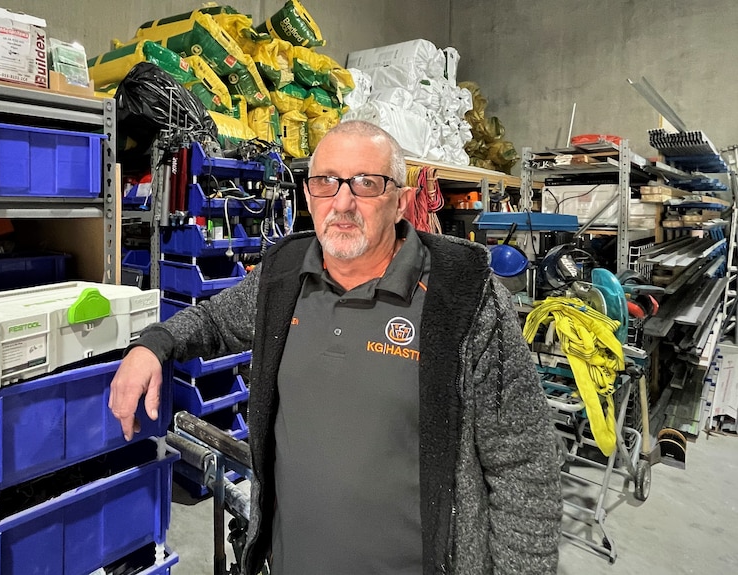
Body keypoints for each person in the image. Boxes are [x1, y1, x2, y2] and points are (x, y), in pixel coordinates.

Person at [109, 120, 562, 575]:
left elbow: (525, 465)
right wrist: (152, 345)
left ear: (402, 202)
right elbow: (211, 319)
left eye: (367, 183)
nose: (342, 203)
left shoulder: (464, 299)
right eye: (326, 182)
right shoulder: (284, 275)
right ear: (308, 196)